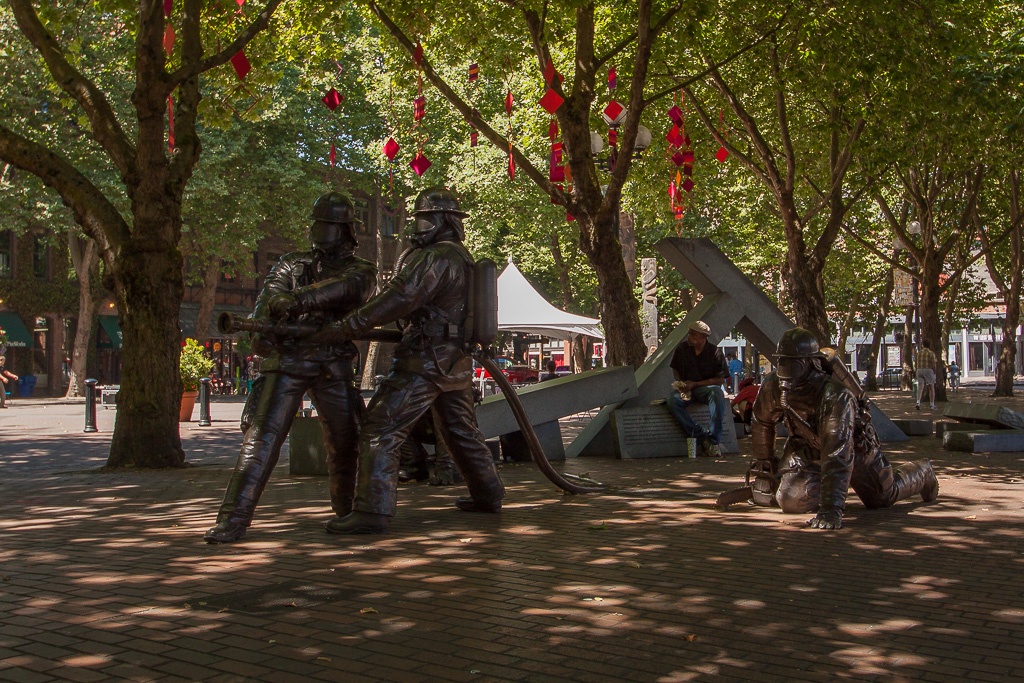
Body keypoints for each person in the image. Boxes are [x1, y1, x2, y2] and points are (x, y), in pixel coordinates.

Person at [318, 187, 505, 535]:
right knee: (460, 430)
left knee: (380, 427)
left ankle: (372, 512)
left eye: (425, 220)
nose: (419, 227)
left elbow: (397, 299)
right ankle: (488, 493)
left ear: (444, 222)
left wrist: (347, 327)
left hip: (426, 358)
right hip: (455, 359)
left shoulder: (434, 259)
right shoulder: (461, 256)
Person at [204, 192, 377, 544]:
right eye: (317, 223)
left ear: (343, 230)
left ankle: (347, 512)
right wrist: (269, 314)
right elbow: (269, 297)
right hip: (289, 359)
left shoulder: (360, 269)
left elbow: (349, 290)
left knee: (345, 443)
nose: (318, 230)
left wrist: (297, 301)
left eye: (326, 224)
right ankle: (233, 518)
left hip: (332, 362)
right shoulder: (290, 263)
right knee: (261, 440)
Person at [748, 328, 938, 530]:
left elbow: (838, 452)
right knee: (791, 501)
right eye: (782, 362)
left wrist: (831, 509)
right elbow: (761, 422)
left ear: (810, 363)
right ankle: (824, 486)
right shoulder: (772, 386)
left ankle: (923, 472)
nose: (785, 369)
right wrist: (765, 465)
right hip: (806, 450)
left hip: (854, 451)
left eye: (792, 363)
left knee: (882, 497)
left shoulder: (835, 394)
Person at [668, 320, 730, 457]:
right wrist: (681, 384)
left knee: (717, 392)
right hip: (686, 388)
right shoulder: (682, 349)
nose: (689, 337)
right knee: (673, 401)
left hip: (704, 388)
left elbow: (720, 379)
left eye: (693, 335)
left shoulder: (715, 352)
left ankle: (714, 440)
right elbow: (675, 368)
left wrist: (696, 384)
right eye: (689, 334)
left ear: (702, 337)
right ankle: (700, 435)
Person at [915, 340, 937, 410]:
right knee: (931, 388)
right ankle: (932, 404)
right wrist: (934, 371)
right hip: (928, 369)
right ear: (929, 345)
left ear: (923, 345)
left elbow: (915, 362)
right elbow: (934, 363)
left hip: (919, 370)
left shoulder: (919, 353)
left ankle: (918, 402)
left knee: (920, 387)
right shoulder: (931, 353)